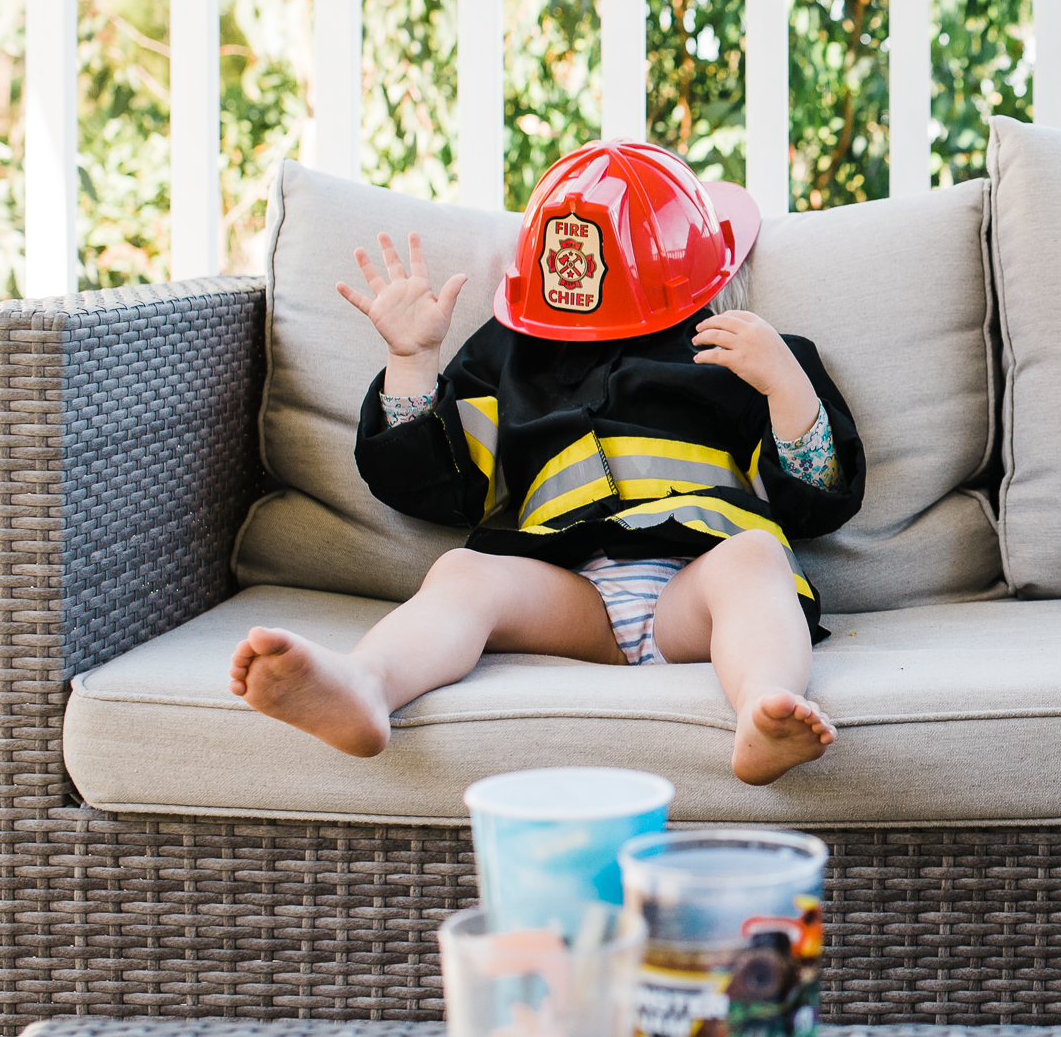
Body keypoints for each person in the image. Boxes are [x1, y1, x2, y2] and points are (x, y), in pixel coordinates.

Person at [227, 142, 864, 785]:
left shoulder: (739, 347)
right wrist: (413, 361)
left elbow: (812, 506)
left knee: (754, 557)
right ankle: (366, 685)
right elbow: (436, 488)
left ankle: (764, 708)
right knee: (462, 572)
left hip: (696, 586)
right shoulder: (505, 355)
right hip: (569, 593)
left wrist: (788, 388)